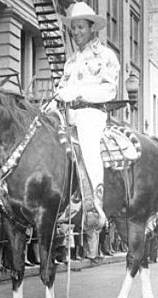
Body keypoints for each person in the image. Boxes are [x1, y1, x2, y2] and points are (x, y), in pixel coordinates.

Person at [57, 2, 120, 232]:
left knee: (88, 144)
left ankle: (95, 206)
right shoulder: (70, 62)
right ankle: (62, 201)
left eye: (80, 27)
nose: (76, 33)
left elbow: (109, 90)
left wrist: (80, 94)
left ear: (93, 28)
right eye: (73, 28)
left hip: (91, 113)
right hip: (68, 113)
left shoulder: (106, 56)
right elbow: (62, 88)